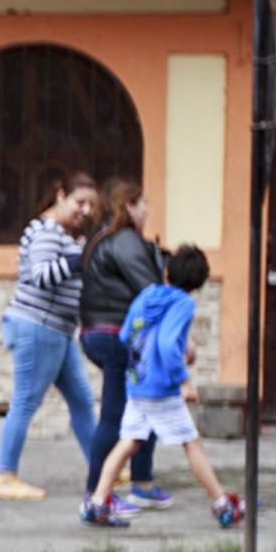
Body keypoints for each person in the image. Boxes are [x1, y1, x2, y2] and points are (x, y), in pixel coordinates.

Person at [82, 244, 246, 531]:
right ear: (199, 283)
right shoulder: (183, 303)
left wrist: (142, 364)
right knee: (191, 442)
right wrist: (184, 380)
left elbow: (126, 335)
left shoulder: (147, 294)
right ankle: (222, 505)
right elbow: (168, 345)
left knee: (128, 443)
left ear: (167, 272)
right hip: (161, 391)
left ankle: (97, 502)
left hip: (137, 384)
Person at [0, 172, 99, 502]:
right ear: (60, 195)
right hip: (39, 326)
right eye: (80, 202)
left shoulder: (62, 233)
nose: (86, 211)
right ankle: (4, 474)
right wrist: (78, 259)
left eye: (91, 206)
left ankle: (103, 468)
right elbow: (40, 276)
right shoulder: (47, 231)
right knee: (25, 401)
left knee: (81, 399)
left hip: (57, 330)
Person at [76, 181, 175, 513]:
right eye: (143, 203)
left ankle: (142, 483)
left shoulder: (106, 238)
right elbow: (151, 292)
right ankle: (96, 495)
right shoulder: (126, 240)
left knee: (143, 408)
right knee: (116, 415)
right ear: (129, 206)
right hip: (116, 335)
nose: (147, 209)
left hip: (100, 331)